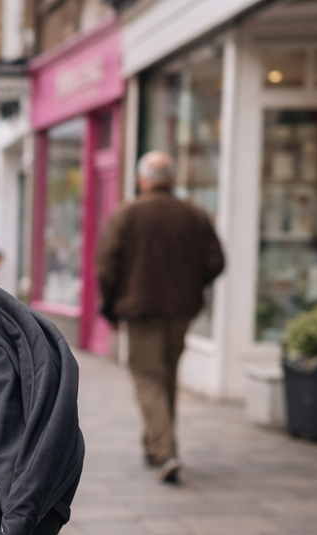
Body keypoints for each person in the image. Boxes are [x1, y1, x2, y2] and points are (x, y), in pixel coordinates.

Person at [98, 151, 225, 484]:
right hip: (181, 310)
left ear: (142, 180)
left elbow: (106, 266)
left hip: (141, 311)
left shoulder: (127, 214)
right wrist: (191, 285)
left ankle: (165, 450)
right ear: (171, 180)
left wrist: (109, 307)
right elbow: (216, 262)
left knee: (148, 377)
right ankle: (156, 445)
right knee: (165, 375)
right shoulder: (194, 214)